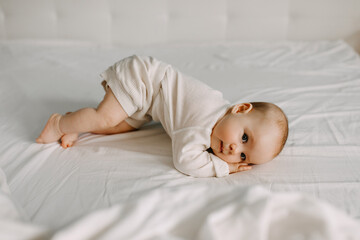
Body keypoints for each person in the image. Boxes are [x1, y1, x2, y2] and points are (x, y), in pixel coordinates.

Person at [36, 55, 288, 178]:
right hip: (142, 78)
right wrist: (226, 167)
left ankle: (76, 120)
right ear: (240, 109)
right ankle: (59, 123)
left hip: (149, 102)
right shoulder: (205, 124)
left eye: (243, 156)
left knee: (119, 127)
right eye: (244, 137)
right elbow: (185, 161)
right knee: (105, 119)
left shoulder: (222, 117)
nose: (234, 149)